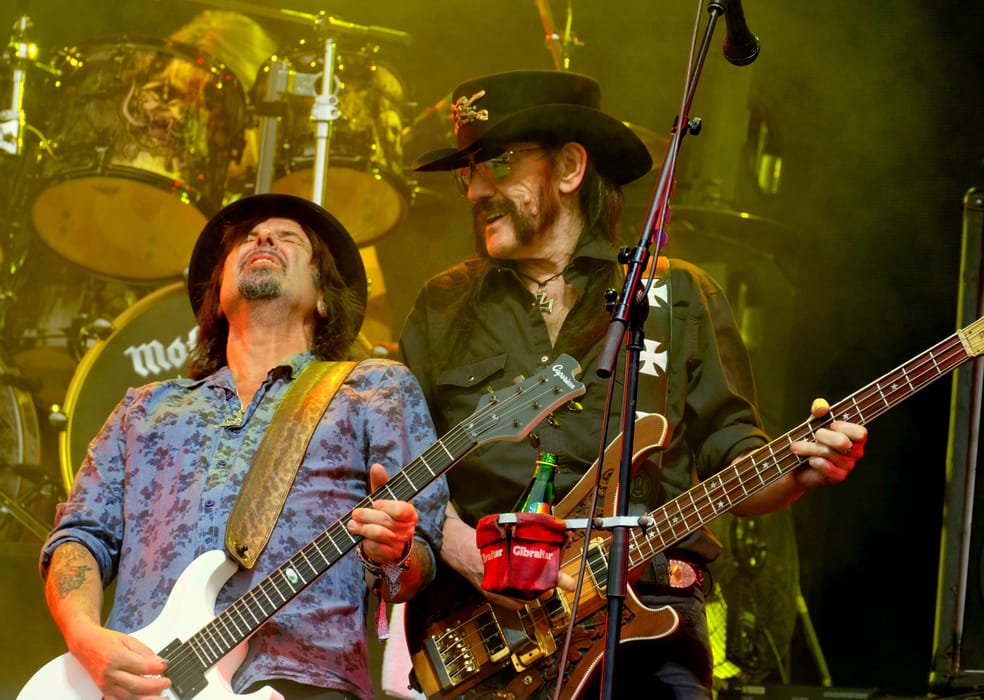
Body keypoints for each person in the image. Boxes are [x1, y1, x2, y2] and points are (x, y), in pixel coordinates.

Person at [399, 70, 868, 698]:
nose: (477, 190)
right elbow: (403, 468)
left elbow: (734, 454)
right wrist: (467, 552)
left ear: (570, 167)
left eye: (499, 164)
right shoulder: (443, 304)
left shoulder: (678, 295)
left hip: (651, 620)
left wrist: (802, 470)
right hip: (488, 638)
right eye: (468, 174)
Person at [37, 193, 448, 699]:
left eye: (288, 237)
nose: (264, 237)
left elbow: (413, 567)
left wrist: (395, 554)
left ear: (324, 297)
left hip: (306, 683)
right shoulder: (145, 408)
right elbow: (80, 535)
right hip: (144, 686)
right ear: (217, 298)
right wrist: (85, 638)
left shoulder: (373, 389)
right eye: (247, 238)